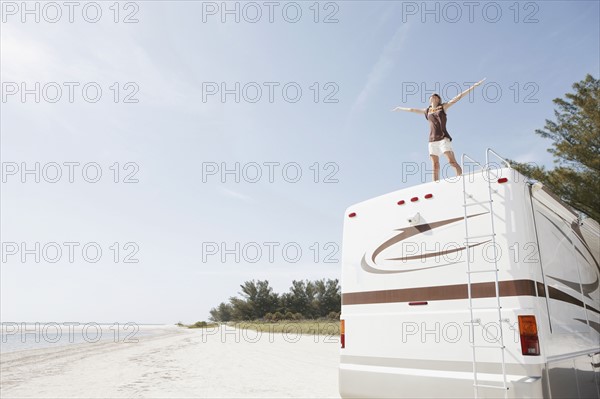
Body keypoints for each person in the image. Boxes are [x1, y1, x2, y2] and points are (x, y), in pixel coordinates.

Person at [392, 78, 486, 182]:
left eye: (435, 95)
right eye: (431, 95)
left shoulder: (443, 107)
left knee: (451, 161)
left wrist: (474, 86)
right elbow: (412, 110)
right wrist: (400, 108)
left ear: (438, 99)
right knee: (435, 165)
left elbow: (458, 97)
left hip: (443, 139)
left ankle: (460, 178)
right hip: (432, 141)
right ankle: (435, 184)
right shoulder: (427, 111)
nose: (432, 95)